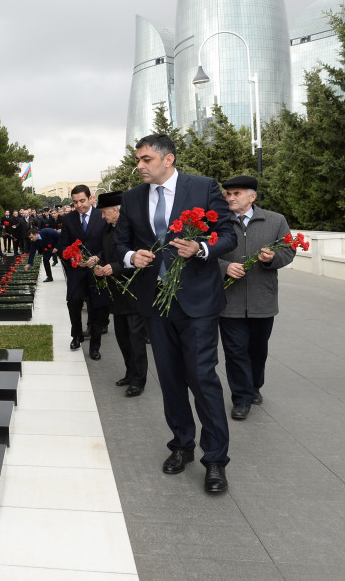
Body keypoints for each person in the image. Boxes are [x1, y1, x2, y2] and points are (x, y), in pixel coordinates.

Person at [113, 133, 237, 493]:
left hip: (197, 303)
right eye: (138, 159)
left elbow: (227, 235)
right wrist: (129, 257)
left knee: (202, 379)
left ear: (168, 159)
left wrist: (200, 247)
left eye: (146, 159)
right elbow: (121, 241)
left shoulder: (203, 187)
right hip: (154, 303)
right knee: (169, 380)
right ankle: (181, 445)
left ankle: (215, 460)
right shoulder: (132, 198)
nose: (140, 165)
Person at [217, 175, 294, 420]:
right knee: (235, 350)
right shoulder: (218, 222)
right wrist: (224, 267)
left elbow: (289, 251)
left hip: (263, 299)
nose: (230, 198)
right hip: (230, 300)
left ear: (252, 196)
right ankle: (241, 398)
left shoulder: (275, 220)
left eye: (237, 193)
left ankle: (254, 386)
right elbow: (204, 254)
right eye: (228, 193)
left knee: (258, 349)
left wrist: (271, 258)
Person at [94, 191, 148, 397]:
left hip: (133, 293)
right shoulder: (108, 230)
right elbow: (106, 253)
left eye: (104, 212)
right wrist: (97, 261)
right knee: (122, 338)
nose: (102, 216)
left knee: (136, 338)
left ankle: (139, 380)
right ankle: (130, 372)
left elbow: (138, 258)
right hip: (116, 293)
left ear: (116, 211)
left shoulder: (134, 229)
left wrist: (114, 268)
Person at [58, 184, 108, 360]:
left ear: (91, 198)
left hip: (97, 272)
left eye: (82, 201)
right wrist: (73, 259)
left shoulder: (102, 216)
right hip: (77, 273)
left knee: (96, 310)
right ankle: (76, 336)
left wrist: (98, 258)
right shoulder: (68, 219)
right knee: (73, 303)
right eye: (75, 202)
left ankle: (95, 346)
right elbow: (62, 246)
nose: (79, 205)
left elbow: (109, 245)